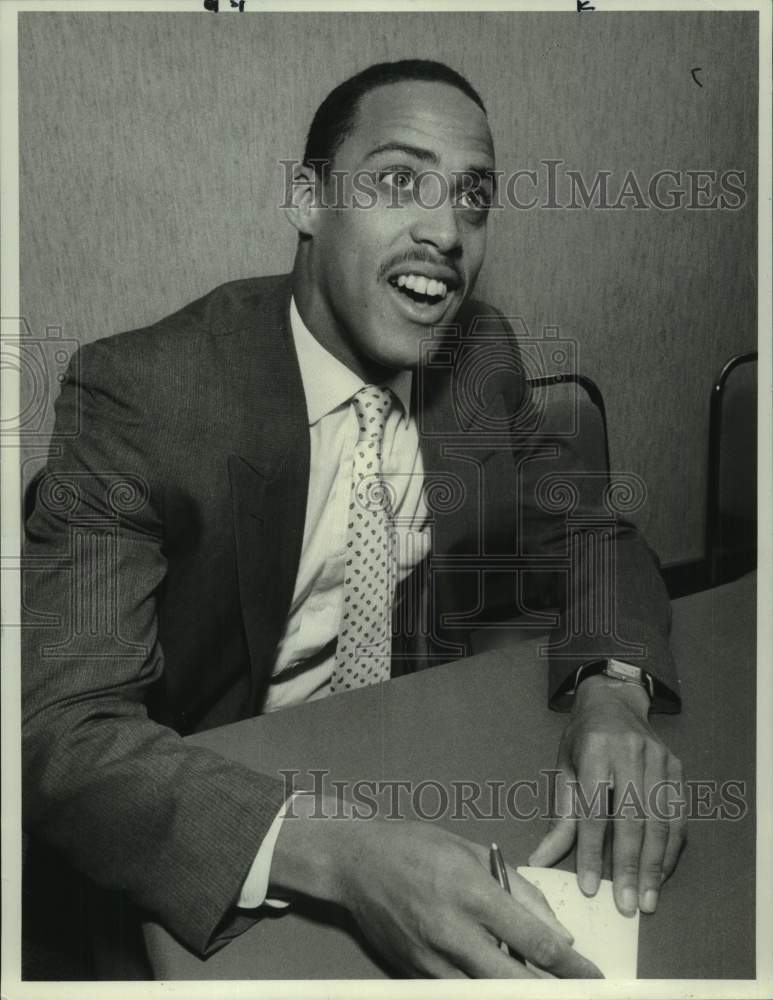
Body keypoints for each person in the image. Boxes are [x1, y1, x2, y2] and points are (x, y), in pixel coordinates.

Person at [22, 59, 685, 980]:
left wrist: (612, 690)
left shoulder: (478, 357)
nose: (445, 231)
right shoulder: (140, 394)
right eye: (397, 179)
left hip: (414, 763)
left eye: (472, 198)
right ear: (306, 199)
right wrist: (342, 853)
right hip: (226, 820)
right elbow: (62, 734)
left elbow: (590, 530)